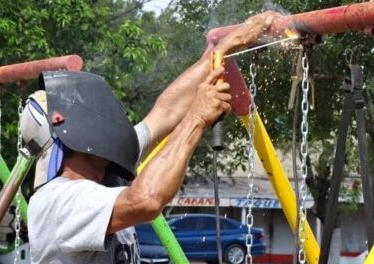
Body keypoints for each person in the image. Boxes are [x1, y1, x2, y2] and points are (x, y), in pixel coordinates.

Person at [21, 11, 277, 264]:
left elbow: (166, 112)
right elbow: (147, 199)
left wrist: (223, 49)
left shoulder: (106, 170)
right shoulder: (58, 202)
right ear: (70, 128)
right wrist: (196, 119)